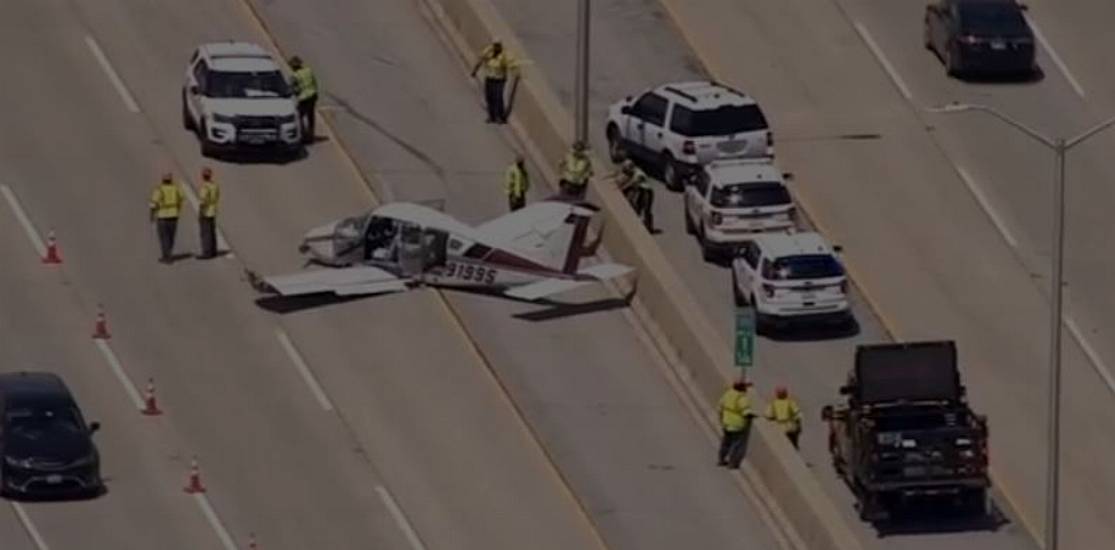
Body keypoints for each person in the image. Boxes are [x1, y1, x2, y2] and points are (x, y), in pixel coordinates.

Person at [470, 41, 516, 123]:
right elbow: (480, 61)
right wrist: (475, 70)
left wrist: (515, 72)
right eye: (495, 45)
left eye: (498, 46)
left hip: (499, 80)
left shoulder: (504, 55)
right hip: (489, 78)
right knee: (489, 97)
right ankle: (491, 116)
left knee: (498, 98)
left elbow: (510, 65)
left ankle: (500, 116)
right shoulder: (488, 52)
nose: (496, 47)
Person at [149, 172, 185, 263]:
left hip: (162, 216)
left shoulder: (159, 190)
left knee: (164, 237)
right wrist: (178, 209)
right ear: (171, 180)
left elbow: (153, 204)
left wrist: (152, 215)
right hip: (174, 216)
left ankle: (167, 257)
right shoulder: (176, 188)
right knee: (171, 237)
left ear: (163, 180)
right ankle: (169, 253)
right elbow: (182, 199)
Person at [718, 380, 754, 468]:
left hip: (726, 424)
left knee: (726, 443)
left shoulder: (727, 394)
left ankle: (721, 459)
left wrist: (721, 419)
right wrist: (751, 415)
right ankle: (732, 463)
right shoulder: (742, 398)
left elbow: (720, 406)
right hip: (738, 426)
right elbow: (746, 411)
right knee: (736, 445)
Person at [614, 159, 655, 231]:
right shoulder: (633, 172)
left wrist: (622, 188)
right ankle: (637, 223)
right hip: (641, 191)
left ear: (630, 167)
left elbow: (633, 182)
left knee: (646, 209)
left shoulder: (638, 173)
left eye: (627, 169)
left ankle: (649, 227)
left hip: (647, 191)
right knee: (637, 207)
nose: (627, 172)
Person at [288, 56, 318, 143]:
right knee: (310, 115)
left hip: (304, 97)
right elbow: (314, 82)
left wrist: (293, 93)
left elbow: (293, 89)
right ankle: (311, 135)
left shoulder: (295, 76)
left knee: (299, 116)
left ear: (293, 67)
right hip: (313, 95)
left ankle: (303, 135)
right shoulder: (308, 70)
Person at [197, 167, 220, 259]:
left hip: (206, 212)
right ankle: (213, 250)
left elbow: (203, 201)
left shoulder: (205, 187)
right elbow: (217, 196)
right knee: (212, 232)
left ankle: (207, 252)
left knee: (205, 233)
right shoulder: (215, 186)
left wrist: (201, 211)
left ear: (203, 176)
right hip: (213, 210)